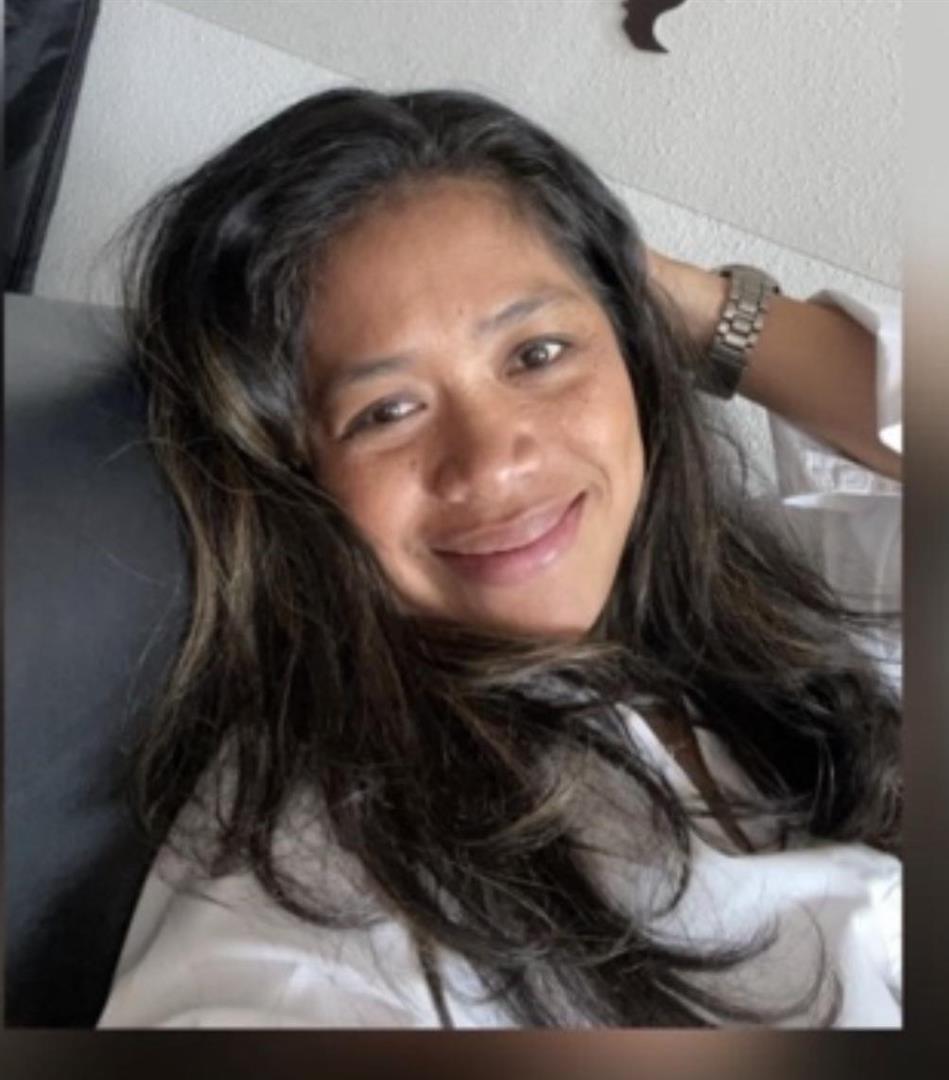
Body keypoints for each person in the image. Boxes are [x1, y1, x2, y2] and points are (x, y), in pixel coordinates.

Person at [97, 88, 901, 1028]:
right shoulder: (319, 887)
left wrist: (663, 291)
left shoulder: (788, 590)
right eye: (386, 411)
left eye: (540, 353)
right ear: (289, 476)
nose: (493, 462)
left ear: (634, 350)